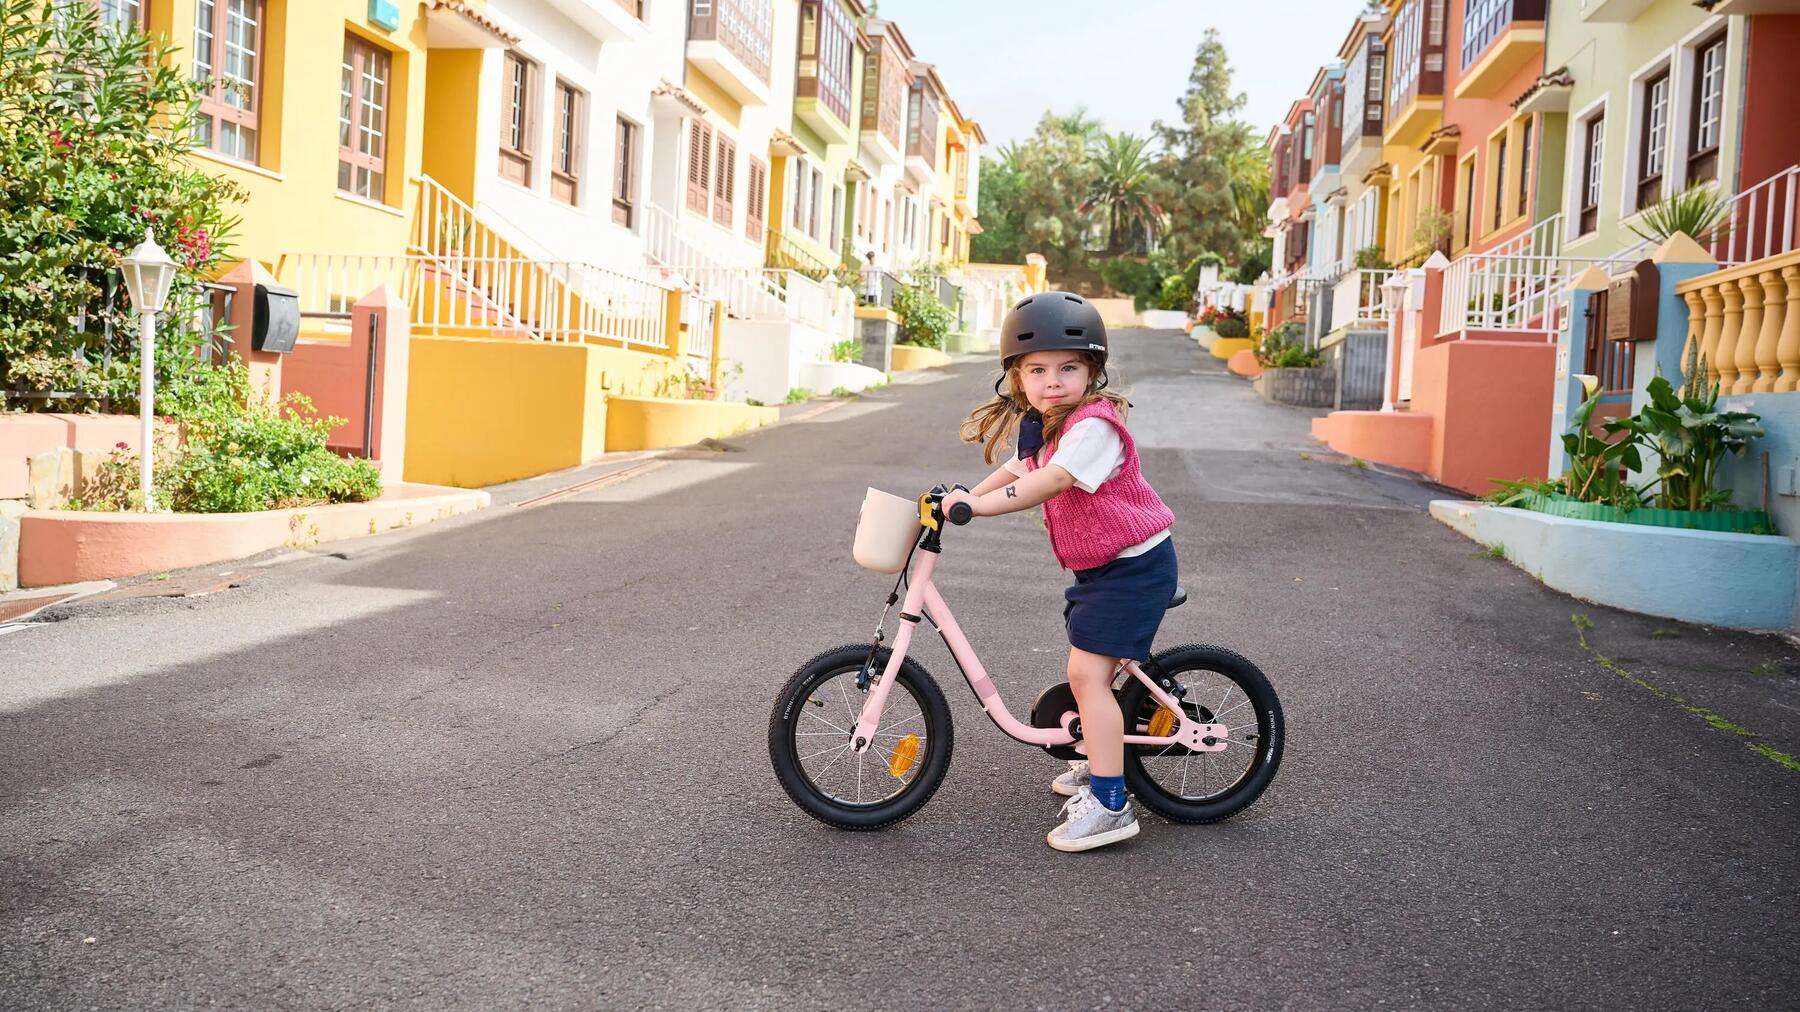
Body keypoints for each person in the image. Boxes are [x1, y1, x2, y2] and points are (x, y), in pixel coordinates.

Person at [940, 292, 1177, 853]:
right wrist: (962, 496)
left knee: (1086, 675)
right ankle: (1102, 752)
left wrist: (979, 508)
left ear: (1092, 371)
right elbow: (1020, 467)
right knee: (1092, 669)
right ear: (1018, 378)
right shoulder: (1049, 424)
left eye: (1068, 368)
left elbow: (1051, 480)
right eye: (1038, 370)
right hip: (1104, 569)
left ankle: (1111, 804)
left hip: (1135, 568)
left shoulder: (1093, 427)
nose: (1053, 382)